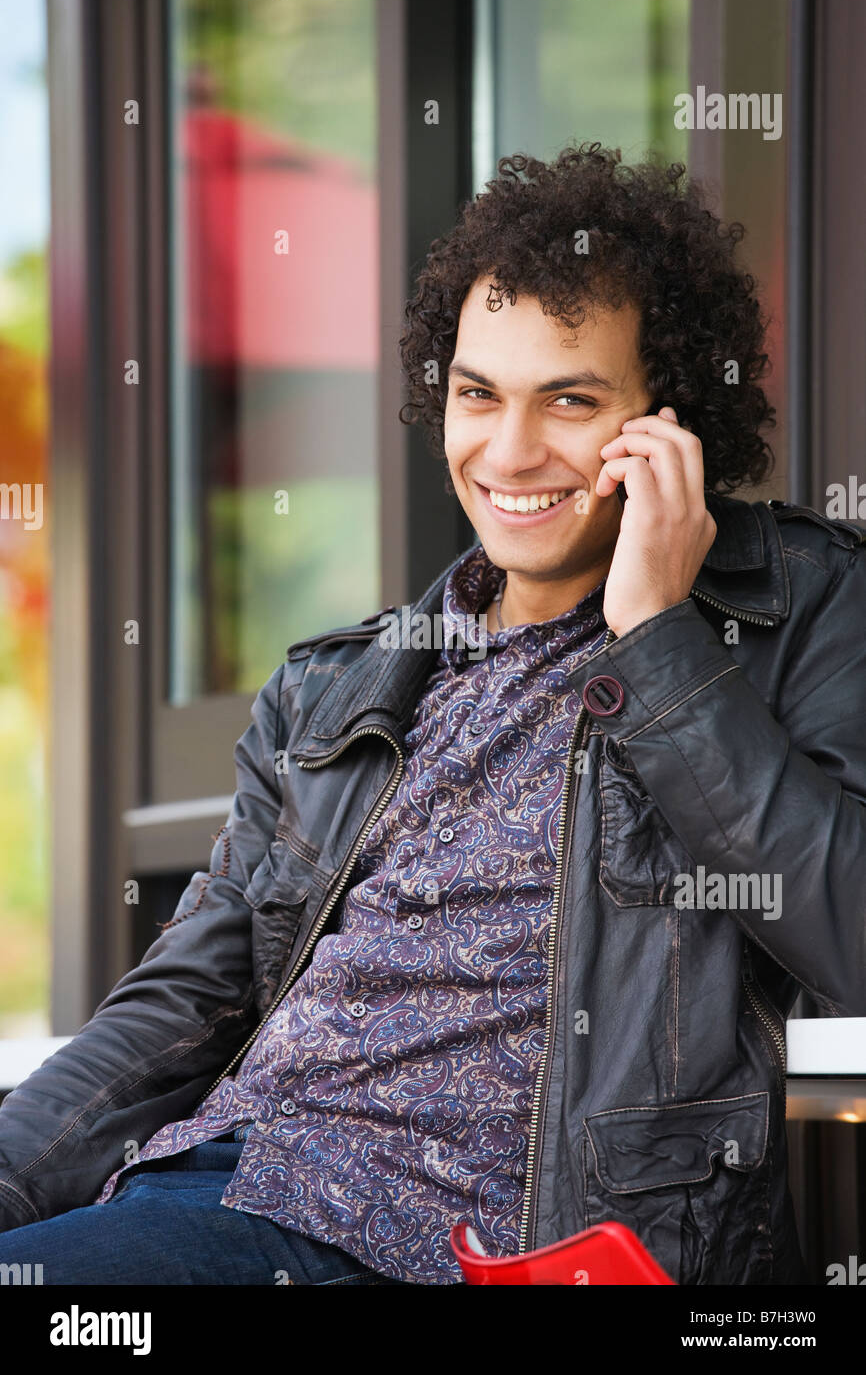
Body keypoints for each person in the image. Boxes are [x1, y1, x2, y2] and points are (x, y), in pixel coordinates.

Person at [1, 142, 864, 1286]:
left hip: (457, 1237)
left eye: (568, 398)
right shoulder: (338, 685)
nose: (507, 451)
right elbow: (182, 1002)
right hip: (213, 1186)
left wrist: (657, 640)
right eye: (476, 394)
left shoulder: (796, 610)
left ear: (667, 421)